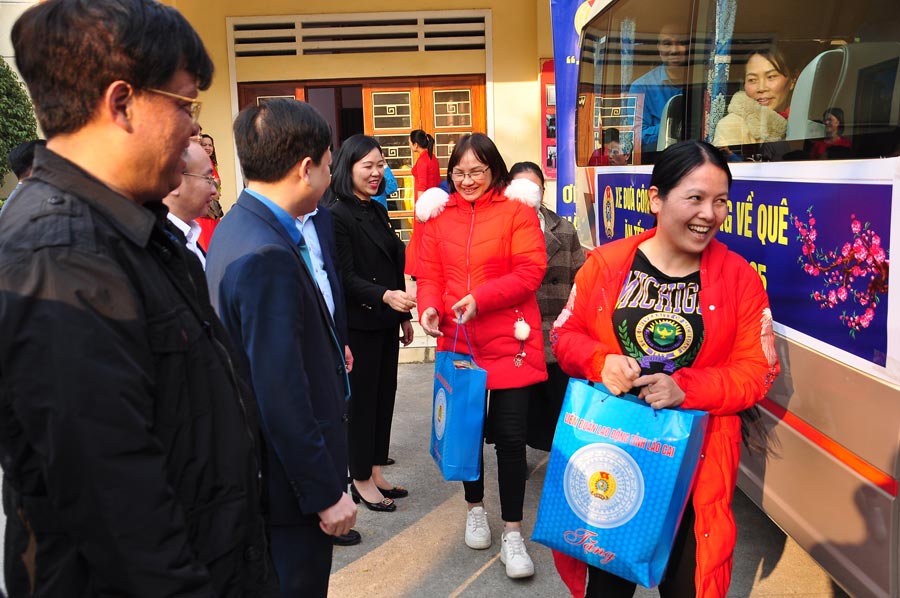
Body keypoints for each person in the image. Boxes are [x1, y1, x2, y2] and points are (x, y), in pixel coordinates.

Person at [0, 1, 277, 595]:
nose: (193, 132)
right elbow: (119, 512)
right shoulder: (61, 257)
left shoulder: (134, 228)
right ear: (122, 103)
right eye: (184, 105)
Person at [551, 140, 780, 598]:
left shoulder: (739, 278)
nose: (709, 214)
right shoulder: (607, 265)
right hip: (616, 455)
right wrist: (602, 361)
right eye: (694, 198)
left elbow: (759, 371)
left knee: (688, 584)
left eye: (720, 202)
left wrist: (685, 389)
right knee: (608, 590)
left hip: (698, 465)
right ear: (657, 199)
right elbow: (564, 336)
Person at [206, 98, 356, 597]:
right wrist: (324, 493)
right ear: (305, 168)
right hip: (289, 493)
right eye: (331, 166)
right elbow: (280, 392)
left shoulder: (239, 225)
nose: (332, 177)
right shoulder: (266, 252)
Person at [415, 133, 548, 579]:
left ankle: (513, 531)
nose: (467, 180)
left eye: (477, 171)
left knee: (511, 439)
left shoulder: (517, 213)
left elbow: (531, 271)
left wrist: (480, 298)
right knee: (467, 433)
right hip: (459, 340)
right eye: (459, 172)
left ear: (495, 171)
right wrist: (429, 305)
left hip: (511, 339)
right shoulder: (438, 217)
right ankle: (475, 508)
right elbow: (429, 272)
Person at [324, 134, 415, 513]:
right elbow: (342, 275)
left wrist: (404, 316)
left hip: (385, 320)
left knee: (383, 398)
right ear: (348, 168)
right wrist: (384, 297)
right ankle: (359, 477)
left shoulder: (376, 209)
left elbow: (391, 264)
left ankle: (376, 469)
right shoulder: (336, 214)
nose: (377, 173)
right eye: (368, 166)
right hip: (359, 324)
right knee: (360, 404)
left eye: (380, 165)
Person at [508, 161, 586, 451]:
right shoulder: (502, 228)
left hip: (555, 331)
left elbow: (581, 280)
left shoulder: (563, 229)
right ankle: (518, 456)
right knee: (519, 413)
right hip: (518, 333)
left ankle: (561, 458)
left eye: (535, 188)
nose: (530, 195)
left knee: (559, 407)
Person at [712, 47, 795, 148]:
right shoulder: (732, 126)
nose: (761, 88)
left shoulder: (804, 123)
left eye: (771, 77)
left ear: (793, 80)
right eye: (752, 79)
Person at [629, 24, 689, 150]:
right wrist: (671, 127)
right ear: (659, 48)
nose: (674, 50)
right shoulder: (642, 86)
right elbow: (636, 136)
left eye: (681, 42)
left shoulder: (704, 82)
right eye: (667, 43)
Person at [163, 139, 217, 267]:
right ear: (176, 181)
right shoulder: (160, 246)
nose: (214, 191)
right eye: (208, 179)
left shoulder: (188, 236)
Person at [405, 129, 441, 276]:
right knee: (430, 238)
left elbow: (421, 188)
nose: (409, 145)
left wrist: (420, 209)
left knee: (421, 239)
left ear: (415, 144)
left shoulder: (422, 161)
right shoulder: (434, 158)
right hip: (434, 203)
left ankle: (419, 271)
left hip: (423, 205)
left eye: (409, 142)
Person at [196, 132, 223, 249]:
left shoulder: (211, 163)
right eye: (204, 145)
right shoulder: (197, 163)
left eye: (210, 145)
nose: (208, 147)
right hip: (202, 214)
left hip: (212, 212)